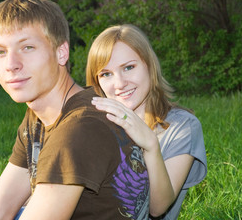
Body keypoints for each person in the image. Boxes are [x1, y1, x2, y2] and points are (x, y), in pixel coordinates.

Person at [0, 0, 150, 220]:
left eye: (27, 47)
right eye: (0, 52)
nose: (11, 64)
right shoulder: (39, 114)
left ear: (61, 52)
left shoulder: (80, 129)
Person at [86, 24, 207, 219]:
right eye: (106, 74)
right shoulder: (93, 125)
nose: (119, 83)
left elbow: (158, 208)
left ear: (150, 66)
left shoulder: (182, 127)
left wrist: (151, 145)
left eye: (128, 67)